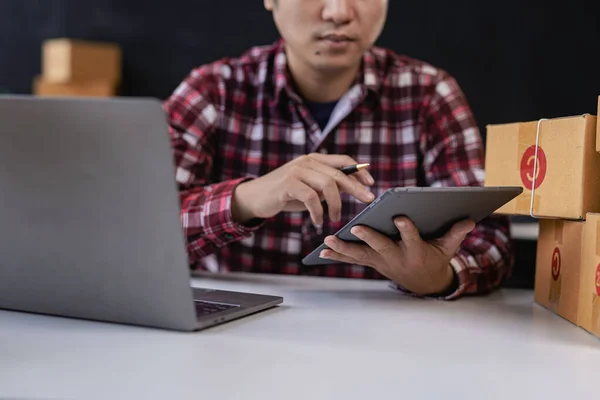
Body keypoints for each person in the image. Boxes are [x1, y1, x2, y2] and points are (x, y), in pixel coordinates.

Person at [163, 0, 513, 300]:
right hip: (234, 343)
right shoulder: (212, 92)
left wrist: (437, 276)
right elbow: (136, 231)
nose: (339, 12)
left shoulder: (429, 94)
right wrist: (248, 197)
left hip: (387, 340)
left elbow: (491, 241)